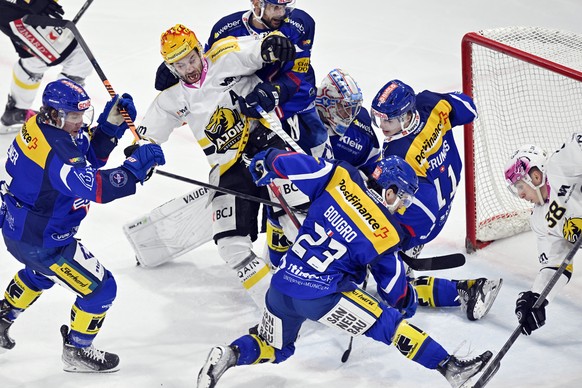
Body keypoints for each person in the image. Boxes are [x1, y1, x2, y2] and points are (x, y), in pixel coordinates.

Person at [197, 149, 492, 388]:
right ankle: (450, 367)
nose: (401, 207)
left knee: (274, 347)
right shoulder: (386, 232)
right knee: (389, 324)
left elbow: (301, 165)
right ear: (389, 191)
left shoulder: (341, 177)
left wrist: (271, 159)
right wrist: (407, 301)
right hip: (322, 296)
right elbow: (395, 292)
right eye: (402, 198)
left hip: (281, 286)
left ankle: (230, 355)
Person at [0, 79, 165, 372]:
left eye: (81, 116)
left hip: (21, 231)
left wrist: (109, 127)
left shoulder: (45, 128)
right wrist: (134, 170)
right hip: (43, 242)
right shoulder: (56, 151)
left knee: (41, 274)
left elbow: (85, 159)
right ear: (53, 114)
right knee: (102, 290)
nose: (78, 122)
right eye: (72, 116)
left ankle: (2, 315)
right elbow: (96, 187)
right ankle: (78, 350)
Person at [136, 24, 296, 309]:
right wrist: (141, 154)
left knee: (296, 223)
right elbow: (147, 137)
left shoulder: (226, 55)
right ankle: (277, 306)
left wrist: (275, 44)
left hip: (267, 147)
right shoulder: (172, 97)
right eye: (179, 65)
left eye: (191, 59)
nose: (189, 69)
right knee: (230, 245)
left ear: (200, 49)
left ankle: (326, 282)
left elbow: (263, 47)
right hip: (227, 168)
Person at [370, 79, 502, 320]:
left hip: (424, 218)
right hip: (445, 200)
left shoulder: (397, 152)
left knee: (384, 272)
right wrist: (442, 113)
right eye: (380, 118)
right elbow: (469, 108)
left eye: (388, 119)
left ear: (407, 115)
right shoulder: (431, 104)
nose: (382, 125)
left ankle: (464, 290)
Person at [154, 0, 331, 158]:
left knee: (321, 160)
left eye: (284, 7)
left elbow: (297, 73)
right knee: (268, 170)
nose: (281, 13)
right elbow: (212, 69)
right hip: (253, 107)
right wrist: (179, 66)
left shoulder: (300, 25)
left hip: (297, 103)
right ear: (257, 5)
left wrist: (277, 91)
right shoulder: (225, 30)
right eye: (275, 7)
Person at [504, 137, 582, 335]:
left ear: (535, 175)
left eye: (520, 186)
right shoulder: (540, 220)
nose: (520, 195)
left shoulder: (560, 165)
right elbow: (555, 264)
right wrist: (537, 297)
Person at [0, 0, 93, 133]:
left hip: (17, 9)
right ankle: (62, 117)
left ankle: (18, 111)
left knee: (36, 59)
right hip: (17, 9)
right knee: (78, 58)